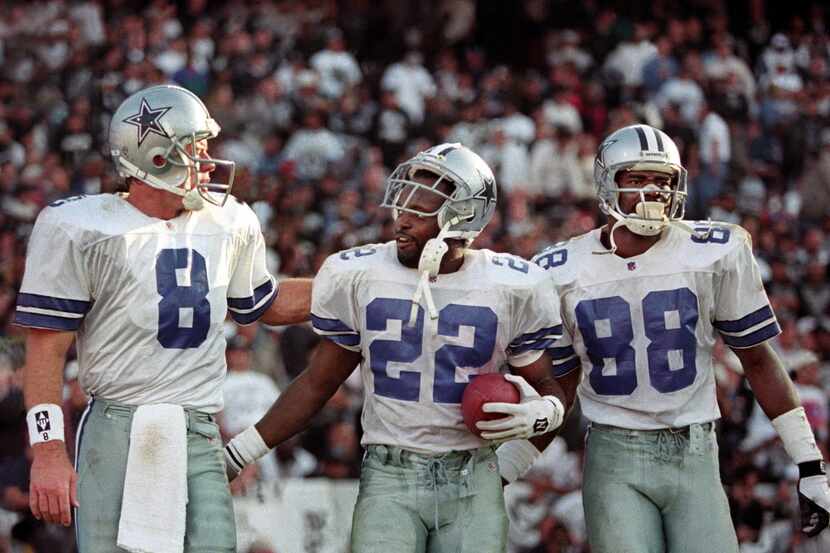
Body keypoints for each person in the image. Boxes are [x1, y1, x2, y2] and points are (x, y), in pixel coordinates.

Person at [224, 143, 570, 552]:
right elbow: (319, 382)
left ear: (462, 216)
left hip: (473, 472)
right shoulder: (362, 273)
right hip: (390, 474)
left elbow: (549, 381)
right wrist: (239, 452)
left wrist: (544, 412)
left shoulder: (512, 286)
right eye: (402, 204)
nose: (401, 220)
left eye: (419, 209)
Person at [13, 84, 311, 553]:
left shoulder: (228, 221)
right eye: (196, 150)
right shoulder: (80, 227)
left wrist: (347, 284)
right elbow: (45, 347)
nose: (210, 163)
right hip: (117, 423)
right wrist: (48, 452)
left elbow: (265, 302)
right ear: (154, 159)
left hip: (198, 425)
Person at [531, 123, 830, 553]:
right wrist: (508, 467)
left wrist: (810, 462)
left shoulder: (713, 251)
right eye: (637, 179)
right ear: (607, 183)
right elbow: (560, 384)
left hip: (695, 451)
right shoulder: (560, 268)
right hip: (615, 452)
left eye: (663, 180)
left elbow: (759, 360)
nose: (653, 191)